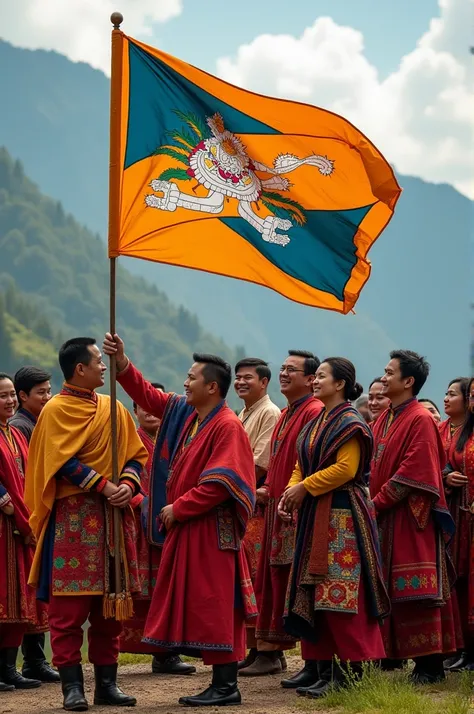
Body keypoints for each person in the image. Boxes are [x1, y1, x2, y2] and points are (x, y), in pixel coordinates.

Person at [103, 333, 256, 708]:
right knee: (205, 602)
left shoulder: (226, 426)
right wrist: (121, 363)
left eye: (191, 378)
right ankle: (221, 682)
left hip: (209, 527)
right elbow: (149, 396)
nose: (184, 383)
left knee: (217, 602)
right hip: (193, 528)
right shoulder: (191, 417)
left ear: (212, 387)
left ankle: (226, 685)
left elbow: (223, 483)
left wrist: (178, 507)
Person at [25, 338, 148, 712]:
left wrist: (127, 485)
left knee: (110, 609)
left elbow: (135, 454)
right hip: (73, 523)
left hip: (113, 519)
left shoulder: (113, 408)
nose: (104, 366)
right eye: (98, 361)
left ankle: (107, 686)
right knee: (68, 613)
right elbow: (57, 462)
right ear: (80, 368)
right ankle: (72, 689)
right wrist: (104, 484)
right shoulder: (55, 411)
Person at [280, 358, 389, 699]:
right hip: (317, 511)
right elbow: (301, 461)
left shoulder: (350, 422)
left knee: (341, 593)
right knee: (318, 590)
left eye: (322, 377)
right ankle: (326, 668)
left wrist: (304, 487)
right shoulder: (318, 420)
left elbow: (346, 468)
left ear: (340, 384)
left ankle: (351, 671)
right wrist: (292, 489)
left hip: (342, 512)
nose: (315, 381)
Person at [370, 350, 462, 683]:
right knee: (391, 588)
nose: (383, 377)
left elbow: (415, 470)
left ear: (408, 382)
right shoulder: (385, 417)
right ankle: (394, 655)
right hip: (384, 516)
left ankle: (430, 665)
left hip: (412, 518)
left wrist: (377, 500)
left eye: (389, 372)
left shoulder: (420, 419)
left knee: (417, 590)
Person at [253, 351, 324, 689]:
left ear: (311, 379)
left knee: (289, 580)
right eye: (282, 368)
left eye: (291, 370)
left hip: (296, 510)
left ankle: (275, 650)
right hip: (277, 507)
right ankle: (267, 648)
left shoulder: (312, 411)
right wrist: (268, 487)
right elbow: (277, 461)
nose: (283, 373)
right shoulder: (285, 413)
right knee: (273, 578)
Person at [119, 383, 196, 676]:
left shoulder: (176, 441)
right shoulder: (128, 441)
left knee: (172, 587)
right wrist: (142, 503)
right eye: (143, 407)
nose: (150, 412)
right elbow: (120, 474)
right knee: (145, 591)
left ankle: (169, 652)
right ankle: (148, 648)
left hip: (171, 522)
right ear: (135, 410)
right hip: (139, 525)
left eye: (156, 408)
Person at [9, 367, 59, 684]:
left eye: (48, 390)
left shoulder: (33, 424)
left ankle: (35, 660)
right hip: (22, 518)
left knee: (35, 590)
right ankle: (29, 662)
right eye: (41, 392)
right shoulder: (20, 426)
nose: (47, 396)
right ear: (23, 396)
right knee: (26, 591)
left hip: (32, 515)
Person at [234, 358, 281, 675]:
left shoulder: (269, 412)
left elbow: (258, 464)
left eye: (247, 378)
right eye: (237, 378)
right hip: (245, 501)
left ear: (263, 382)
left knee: (259, 579)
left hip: (257, 505)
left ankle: (269, 651)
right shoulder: (244, 413)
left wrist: (228, 484)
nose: (240, 382)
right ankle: (255, 648)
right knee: (248, 578)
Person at [0, 373, 43, 693]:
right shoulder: (11, 430)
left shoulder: (12, 433)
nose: (10, 400)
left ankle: (8, 668)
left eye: (11, 394)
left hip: (18, 524)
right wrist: (5, 502)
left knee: (17, 599)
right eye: (3, 396)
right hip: (4, 524)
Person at [439, 377, 473, 671]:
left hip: (467, 512)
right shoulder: (442, 430)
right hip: (455, 511)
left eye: (453, 394)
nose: (446, 399)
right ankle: (461, 646)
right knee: (457, 577)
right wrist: (445, 477)